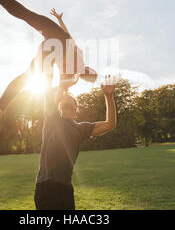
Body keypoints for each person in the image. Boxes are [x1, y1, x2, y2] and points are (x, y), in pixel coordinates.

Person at [0, 0, 97, 137]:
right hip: (55, 46)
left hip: (55, 37)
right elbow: (59, 90)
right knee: (34, 78)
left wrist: (59, 20)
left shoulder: (78, 57)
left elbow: (68, 35)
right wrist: (55, 107)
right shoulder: (73, 77)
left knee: (26, 15)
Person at [34, 73, 117, 210]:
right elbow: (48, 95)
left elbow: (110, 124)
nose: (66, 99)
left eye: (71, 99)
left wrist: (108, 96)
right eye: (63, 99)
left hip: (65, 189)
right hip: (46, 187)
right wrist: (62, 87)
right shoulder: (51, 121)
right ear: (59, 107)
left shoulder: (80, 128)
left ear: (76, 108)